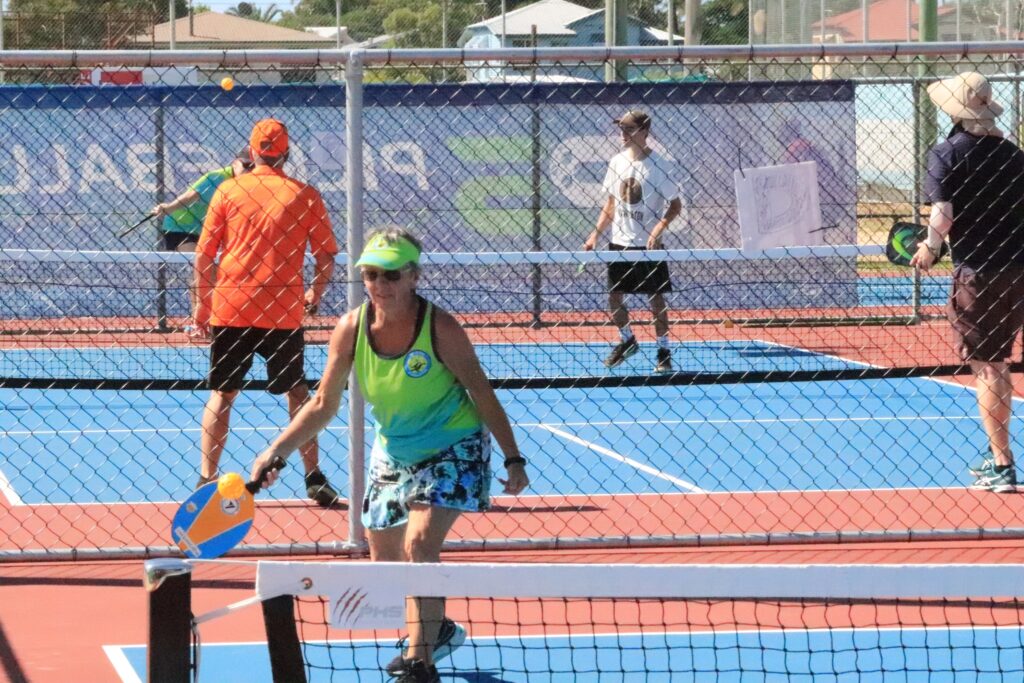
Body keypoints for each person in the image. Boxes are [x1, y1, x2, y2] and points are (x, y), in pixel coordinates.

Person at [249, 229, 530, 683]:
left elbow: (480, 391)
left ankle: (420, 665)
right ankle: (436, 630)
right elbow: (322, 404)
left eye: (392, 274)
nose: (381, 285)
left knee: (420, 543)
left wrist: (513, 458)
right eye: (372, 275)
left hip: (452, 445)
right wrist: (275, 451)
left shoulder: (440, 328)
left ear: (414, 275)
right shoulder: (352, 328)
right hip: (394, 450)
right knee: (386, 566)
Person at [193, 118, 340, 507]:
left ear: (253, 151)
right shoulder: (305, 194)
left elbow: (205, 254)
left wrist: (201, 308)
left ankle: (205, 479)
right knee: (299, 393)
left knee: (222, 395)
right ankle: (313, 476)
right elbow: (325, 254)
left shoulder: (227, 191)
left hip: (231, 307)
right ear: (286, 153)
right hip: (283, 312)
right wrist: (314, 292)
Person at [911, 71, 1024, 493]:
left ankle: (1002, 462)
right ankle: (999, 456)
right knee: (1002, 362)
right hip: (1017, 268)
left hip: (978, 270)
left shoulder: (946, 153)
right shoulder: (1014, 154)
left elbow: (942, 210)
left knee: (988, 366)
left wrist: (930, 246)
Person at [583, 109, 682, 374]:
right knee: (614, 297)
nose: (622, 134)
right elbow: (611, 204)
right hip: (619, 243)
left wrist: (658, 228)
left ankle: (663, 350)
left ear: (645, 132)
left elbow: (675, 204)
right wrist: (595, 235)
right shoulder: (616, 162)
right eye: (621, 129)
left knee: (656, 298)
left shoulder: (660, 165)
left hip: (648, 248)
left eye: (629, 129)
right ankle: (627, 340)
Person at [154, 148, 254, 328]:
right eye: (246, 165)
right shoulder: (214, 177)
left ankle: (215, 319)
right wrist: (168, 208)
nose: (249, 170)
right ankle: (197, 322)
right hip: (179, 228)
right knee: (203, 271)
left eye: (253, 166)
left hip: (205, 231)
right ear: (235, 162)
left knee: (215, 273)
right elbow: (190, 196)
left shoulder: (248, 184)